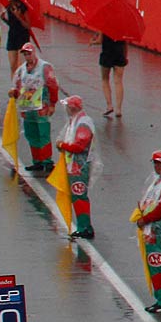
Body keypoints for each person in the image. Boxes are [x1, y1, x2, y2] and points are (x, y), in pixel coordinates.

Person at [134, 149, 161, 313]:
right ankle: (160, 298)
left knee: (157, 263)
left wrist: (145, 219)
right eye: (155, 162)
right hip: (153, 228)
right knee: (154, 263)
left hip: (160, 230)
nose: (157, 166)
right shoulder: (158, 181)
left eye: (160, 162)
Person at [10, 42, 60, 174]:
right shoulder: (21, 70)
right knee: (31, 134)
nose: (27, 56)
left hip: (41, 107)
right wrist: (13, 93)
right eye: (25, 54)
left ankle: (47, 161)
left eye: (29, 53)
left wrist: (52, 104)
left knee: (43, 133)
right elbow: (16, 86)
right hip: (27, 108)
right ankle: (37, 161)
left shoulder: (45, 67)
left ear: (34, 52)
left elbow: (53, 85)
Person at [56, 94, 96, 238]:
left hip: (79, 166)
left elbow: (79, 146)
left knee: (79, 196)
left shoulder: (83, 123)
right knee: (76, 196)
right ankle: (82, 225)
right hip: (73, 165)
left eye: (67, 106)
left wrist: (62, 145)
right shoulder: (75, 121)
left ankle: (85, 227)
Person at [98, 32, 128, 117]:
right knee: (118, 82)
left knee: (105, 79)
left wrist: (92, 41)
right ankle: (118, 109)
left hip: (106, 55)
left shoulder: (104, 26)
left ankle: (109, 106)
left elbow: (99, 41)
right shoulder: (122, 27)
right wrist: (125, 57)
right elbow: (125, 44)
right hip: (119, 55)